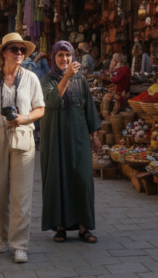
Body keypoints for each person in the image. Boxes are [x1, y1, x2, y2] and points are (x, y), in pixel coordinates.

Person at [0, 33, 46, 264]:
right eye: (14, 49)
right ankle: (4, 236)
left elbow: (40, 109)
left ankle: (19, 244)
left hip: (23, 134)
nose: (19, 53)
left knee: (22, 193)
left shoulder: (32, 78)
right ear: (3, 53)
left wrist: (25, 118)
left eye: (22, 50)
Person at [39, 41, 101, 244]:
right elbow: (51, 101)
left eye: (68, 55)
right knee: (58, 179)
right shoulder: (47, 79)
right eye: (60, 55)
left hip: (79, 137)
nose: (64, 59)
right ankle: (60, 227)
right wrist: (66, 77)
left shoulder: (81, 80)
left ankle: (84, 228)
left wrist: (94, 135)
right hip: (55, 138)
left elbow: (88, 108)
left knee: (82, 180)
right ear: (54, 58)